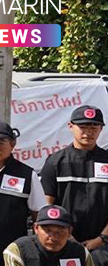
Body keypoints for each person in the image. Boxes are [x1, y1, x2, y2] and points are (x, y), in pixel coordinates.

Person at [0, 121, 46, 257]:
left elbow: (39, 214)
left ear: (12, 144)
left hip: (13, 251)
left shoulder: (27, 174)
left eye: (0, 143)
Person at [40, 106, 108, 248]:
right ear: (71, 126)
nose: (88, 133)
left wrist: (101, 239)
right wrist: (66, 236)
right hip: (63, 243)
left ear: (101, 129)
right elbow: (46, 205)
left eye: (94, 128)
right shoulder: (56, 162)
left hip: (103, 245)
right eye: (83, 127)